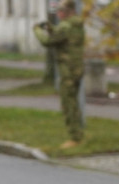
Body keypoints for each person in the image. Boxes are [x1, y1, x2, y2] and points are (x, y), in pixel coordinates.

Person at [33, 0, 85, 148]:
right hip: (76, 68)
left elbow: (48, 41)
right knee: (73, 102)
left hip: (67, 70)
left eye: (60, 11)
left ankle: (75, 137)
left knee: (68, 104)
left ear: (67, 12)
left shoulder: (65, 26)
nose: (58, 14)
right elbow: (62, 36)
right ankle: (78, 134)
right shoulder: (76, 24)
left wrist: (37, 30)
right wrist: (51, 28)